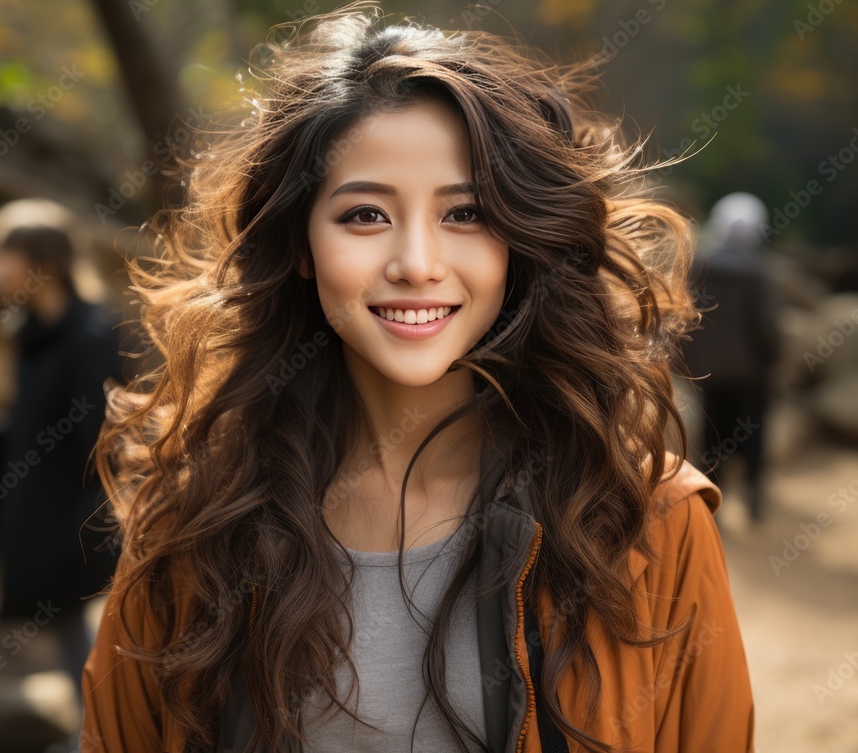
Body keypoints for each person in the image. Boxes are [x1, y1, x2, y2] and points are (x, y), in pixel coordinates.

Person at [81, 3, 755, 752]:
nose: (417, 262)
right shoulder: (194, 523)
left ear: (518, 241)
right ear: (301, 245)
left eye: (464, 212)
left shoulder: (647, 522)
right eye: (365, 215)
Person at [0, 199, 123, 710]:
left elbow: (104, 440)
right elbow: (42, 420)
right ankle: (92, 730)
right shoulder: (30, 336)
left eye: (4, 254)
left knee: (91, 629)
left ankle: (101, 732)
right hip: (42, 512)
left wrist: (91, 521)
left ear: (44, 263)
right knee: (64, 629)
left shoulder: (90, 339)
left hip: (82, 517)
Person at [682, 192, 781, 523]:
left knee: (712, 443)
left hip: (709, 375)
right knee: (753, 441)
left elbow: (686, 319)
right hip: (751, 375)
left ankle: (710, 508)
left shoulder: (699, 266)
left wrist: (689, 362)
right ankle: (753, 496)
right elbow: (765, 327)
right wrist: (772, 362)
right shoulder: (758, 272)